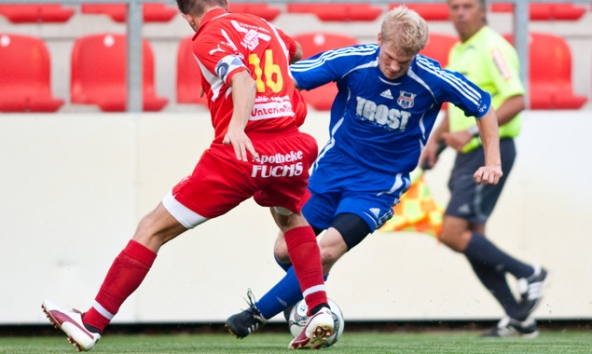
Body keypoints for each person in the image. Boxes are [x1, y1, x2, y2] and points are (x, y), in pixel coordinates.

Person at [41, 0, 335, 351]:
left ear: (186, 18)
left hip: (242, 154)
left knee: (152, 228)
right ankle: (318, 309)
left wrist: (239, 127)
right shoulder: (261, 24)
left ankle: (91, 323)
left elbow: (241, 78)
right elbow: (296, 50)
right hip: (292, 147)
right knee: (291, 218)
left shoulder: (206, 36)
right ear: (225, 3)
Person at [226, 5, 503, 339]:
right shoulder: (353, 61)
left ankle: (255, 315)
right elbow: (286, 81)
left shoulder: (432, 79)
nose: (395, 66)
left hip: (378, 186)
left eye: (405, 61)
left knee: (325, 250)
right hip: (330, 172)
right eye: (389, 57)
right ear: (379, 40)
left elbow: (483, 104)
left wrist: (493, 162)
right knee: (284, 251)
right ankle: (315, 303)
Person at [420, 0, 550, 338]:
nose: (460, 13)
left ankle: (530, 273)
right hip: (467, 154)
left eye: (467, 6)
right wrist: (436, 141)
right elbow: (455, 105)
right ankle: (518, 318)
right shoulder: (460, 52)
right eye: (454, 7)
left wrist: (472, 132)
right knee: (471, 239)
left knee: (452, 233)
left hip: (489, 152)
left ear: (483, 11)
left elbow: (516, 100)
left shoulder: (494, 48)